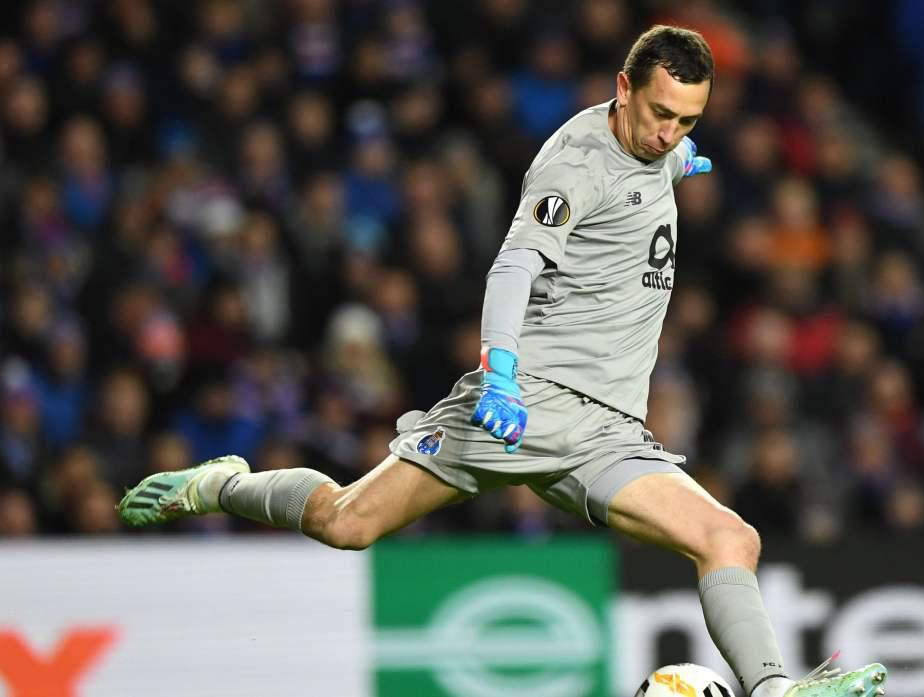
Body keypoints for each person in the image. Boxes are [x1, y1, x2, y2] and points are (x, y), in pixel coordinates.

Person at [117, 25, 885, 697]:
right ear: (622, 88)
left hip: (608, 430)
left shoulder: (659, 146)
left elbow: (652, 162)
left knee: (731, 538)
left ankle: (776, 688)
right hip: (527, 404)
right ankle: (223, 482)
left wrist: (678, 162)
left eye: (687, 121)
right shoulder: (572, 166)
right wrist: (503, 373)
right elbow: (514, 266)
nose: (668, 133)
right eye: (659, 115)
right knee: (347, 522)